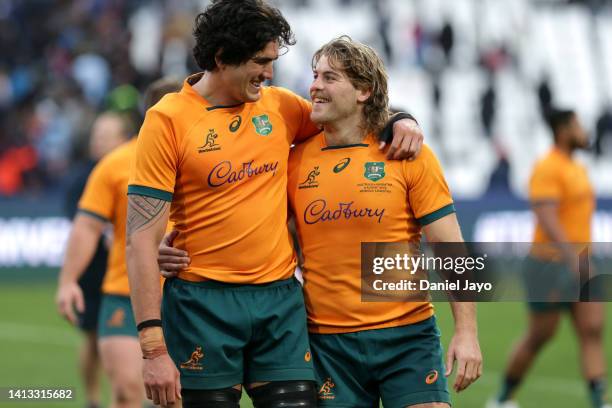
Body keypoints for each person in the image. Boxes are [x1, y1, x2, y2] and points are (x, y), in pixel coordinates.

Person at [125, 1, 425, 407]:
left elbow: (351, 114)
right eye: (260, 62)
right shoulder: (167, 121)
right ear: (221, 58)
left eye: (272, 61)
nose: (269, 73)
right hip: (201, 304)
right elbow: (140, 240)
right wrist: (153, 349)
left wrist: (401, 118)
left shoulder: (280, 106)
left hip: (279, 303)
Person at [160, 36, 482, 408]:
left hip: (407, 335)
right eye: (315, 76)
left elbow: (451, 249)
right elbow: (244, 218)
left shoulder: (407, 154)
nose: (314, 86)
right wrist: (168, 244)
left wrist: (467, 332)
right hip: (328, 344)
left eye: (330, 78)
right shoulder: (292, 161)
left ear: (363, 90)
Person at [56, 78, 182, 408]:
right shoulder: (115, 164)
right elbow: (86, 226)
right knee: (128, 390)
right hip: (124, 293)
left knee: (177, 399)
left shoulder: (204, 157)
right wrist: (68, 281)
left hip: (186, 294)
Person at [487, 110, 610, 408]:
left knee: (592, 328)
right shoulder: (547, 167)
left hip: (581, 261)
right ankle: (502, 398)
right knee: (541, 334)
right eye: (578, 125)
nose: (584, 131)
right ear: (563, 130)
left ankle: (599, 401)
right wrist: (571, 259)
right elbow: (547, 216)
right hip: (549, 264)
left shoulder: (576, 167)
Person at [60, 112, 127, 408]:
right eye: (96, 136)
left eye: (105, 136)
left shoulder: (139, 165)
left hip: (127, 270)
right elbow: (79, 222)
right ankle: (92, 398)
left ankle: (130, 391)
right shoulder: (83, 177)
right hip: (95, 268)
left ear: (123, 139)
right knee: (91, 335)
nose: (97, 141)